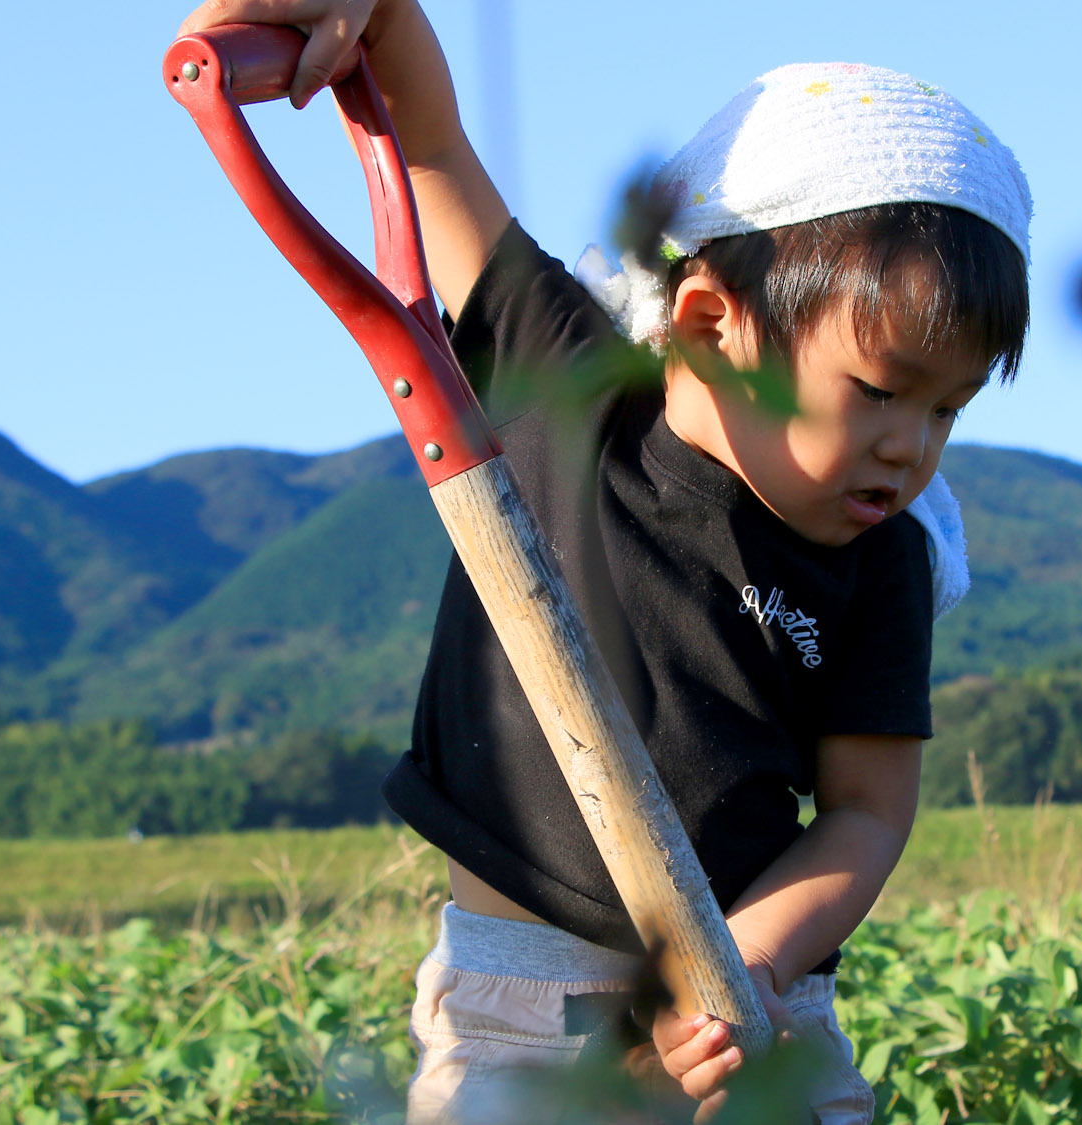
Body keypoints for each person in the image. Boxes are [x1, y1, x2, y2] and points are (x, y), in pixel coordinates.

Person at [175, 3, 1033, 1121]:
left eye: (945, 412)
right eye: (876, 392)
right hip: (516, 1020)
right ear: (709, 324)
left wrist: (743, 971)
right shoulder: (561, 382)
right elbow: (423, 139)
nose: (909, 448)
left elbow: (867, 812)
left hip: (747, 1018)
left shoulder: (883, 562)